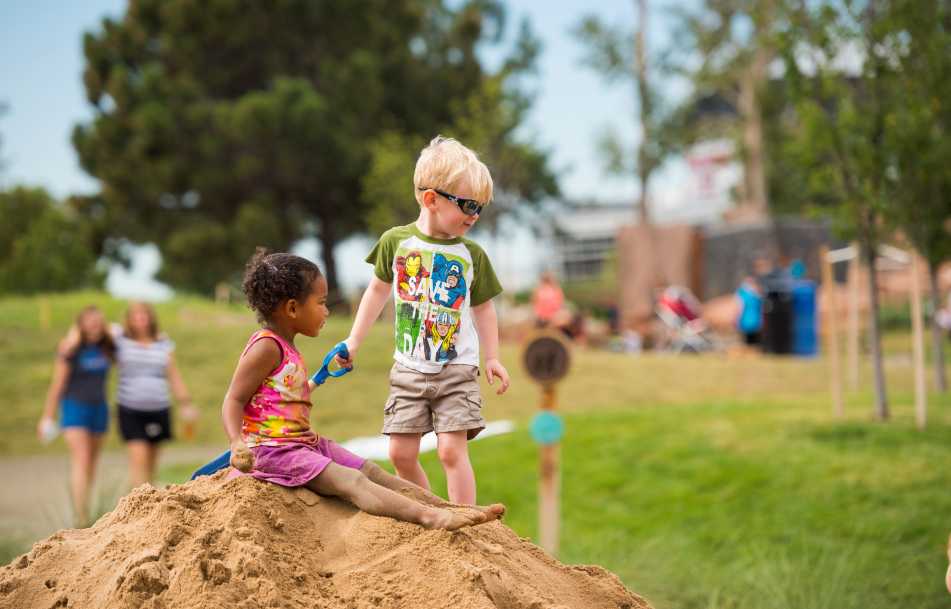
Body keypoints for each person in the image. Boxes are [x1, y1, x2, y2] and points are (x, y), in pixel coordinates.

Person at [223, 249, 504, 530]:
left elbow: (280, 399)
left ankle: (446, 506)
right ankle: (432, 518)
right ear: (293, 308)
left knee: (370, 471)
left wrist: (320, 378)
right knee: (352, 482)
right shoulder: (265, 347)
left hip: (304, 442)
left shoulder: (286, 347)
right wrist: (236, 442)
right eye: (321, 302)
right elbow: (234, 399)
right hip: (274, 452)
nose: (327, 311)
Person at [337, 135, 511, 506]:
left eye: (480, 207)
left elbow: (484, 308)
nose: (474, 215)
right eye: (467, 204)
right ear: (431, 199)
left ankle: (466, 520)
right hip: (408, 369)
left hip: (456, 369)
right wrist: (353, 341)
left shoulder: (471, 255)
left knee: (450, 451)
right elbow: (376, 293)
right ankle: (431, 514)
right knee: (401, 454)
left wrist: (492, 357)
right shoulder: (395, 243)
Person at [38, 306, 115, 525]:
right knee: (81, 460)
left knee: (92, 462)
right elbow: (57, 384)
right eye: (90, 321)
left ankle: (86, 509)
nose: (95, 326)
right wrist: (48, 416)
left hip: (99, 409)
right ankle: (80, 517)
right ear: (80, 324)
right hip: (74, 409)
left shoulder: (106, 347)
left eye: (99, 321)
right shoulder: (70, 349)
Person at [113, 302, 195, 487]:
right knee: (138, 460)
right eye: (136, 316)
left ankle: (149, 505)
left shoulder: (163, 342)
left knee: (152, 464)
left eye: (144, 315)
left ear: (151, 318)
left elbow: (173, 374)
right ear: (129, 320)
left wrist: (185, 403)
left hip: (159, 407)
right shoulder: (121, 341)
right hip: (130, 408)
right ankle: (136, 503)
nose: (141, 319)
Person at [735, 275, 764, 347]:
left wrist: (736, 318)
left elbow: (739, 308)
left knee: (748, 342)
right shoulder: (757, 294)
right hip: (756, 320)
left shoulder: (742, 294)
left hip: (746, 320)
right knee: (755, 342)